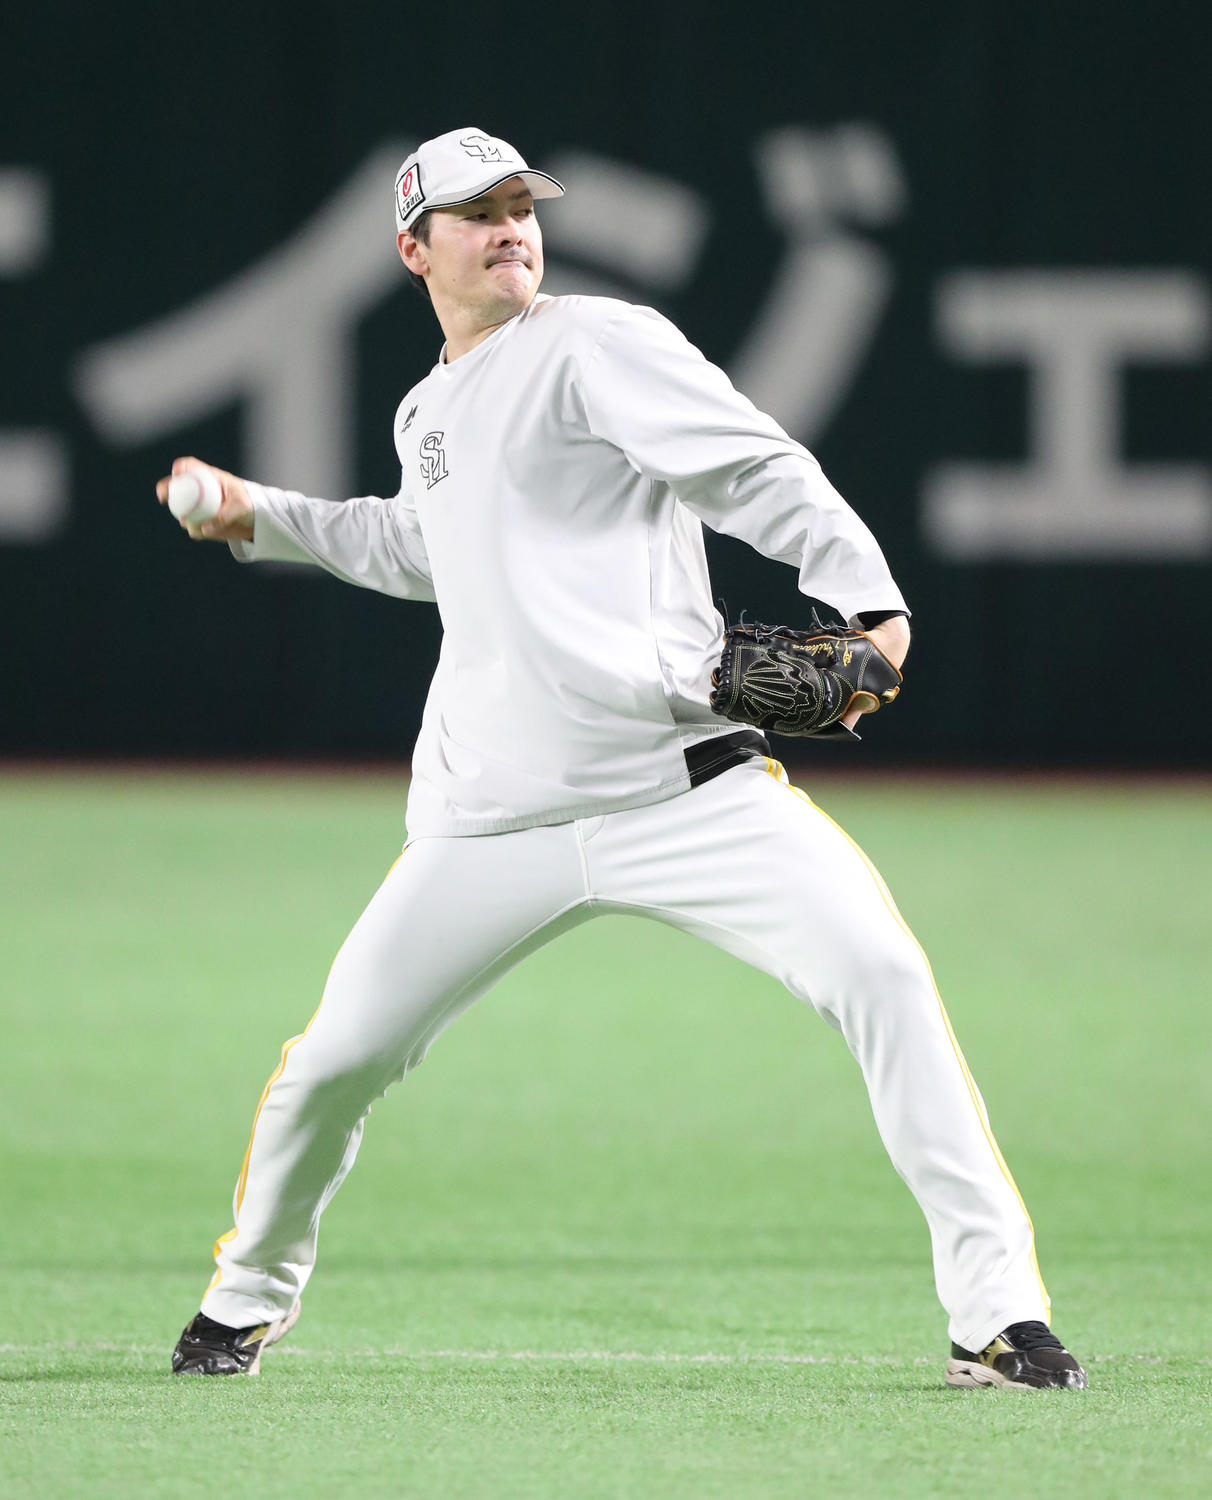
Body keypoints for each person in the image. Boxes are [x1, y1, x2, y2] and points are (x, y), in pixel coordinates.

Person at [160, 126, 1086, 1390]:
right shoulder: (427, 408)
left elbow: (752, 465)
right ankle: (242, 1301)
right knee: (333, 1062)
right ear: (414, 249)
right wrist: (259, 515)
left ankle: (999, 1313)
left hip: (683, 791)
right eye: (477, 213)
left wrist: (869, 604)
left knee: (881, 974)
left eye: (522, 206)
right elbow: (423, 546)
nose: (511, 229)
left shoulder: (594, 342)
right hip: (491, 819)